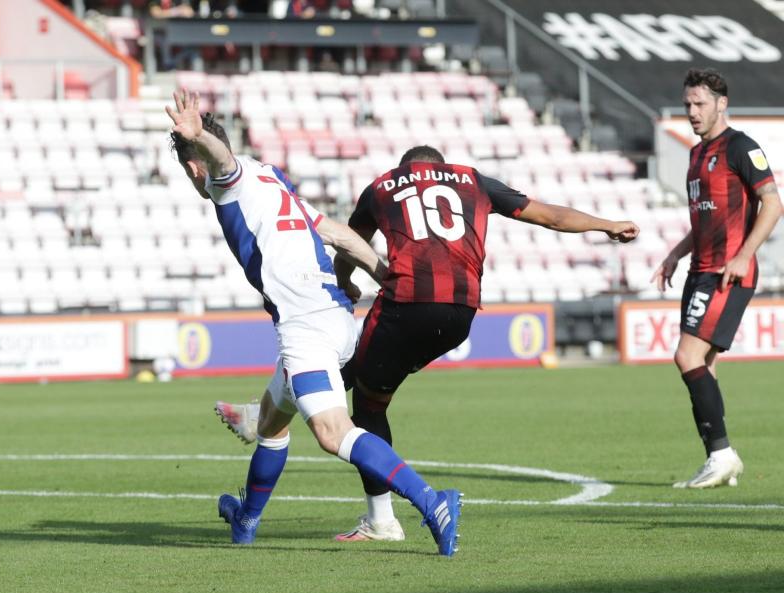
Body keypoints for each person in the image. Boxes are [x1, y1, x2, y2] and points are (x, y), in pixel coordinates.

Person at [218, 144, 640, 542]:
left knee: (360, 395)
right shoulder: (473, 180)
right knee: (361, 378)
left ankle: (382, 518)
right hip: (461, 313)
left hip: (406, 302)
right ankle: (268, 415)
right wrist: (606, 225)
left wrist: (344, 281)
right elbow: (548, 216)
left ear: (407, 168)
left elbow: (352, 239)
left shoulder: (383, 186)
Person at [166, 89, 464, 556]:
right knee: (270, 421)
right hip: (337, 317)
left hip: (305, 326)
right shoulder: (272, 181)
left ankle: (433, 502)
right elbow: (338, 234)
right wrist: (382, 273)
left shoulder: (229, 181)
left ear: (192, 167)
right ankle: (245, 521)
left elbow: (221, 162)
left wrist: (199, 137)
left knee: (331, 432)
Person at [651, 68, 781, 489]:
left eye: (700, 103)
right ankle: (718, 459)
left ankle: (723, 454)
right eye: (688, 103)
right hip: (699, 269)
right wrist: (674, 254)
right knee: (704, 364)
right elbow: (704, 222)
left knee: (686, 357)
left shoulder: (741, 147)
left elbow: (773, 204)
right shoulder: (695, 154)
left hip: (727, 272)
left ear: (721, 104)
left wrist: (745, 255)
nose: (692, 111)